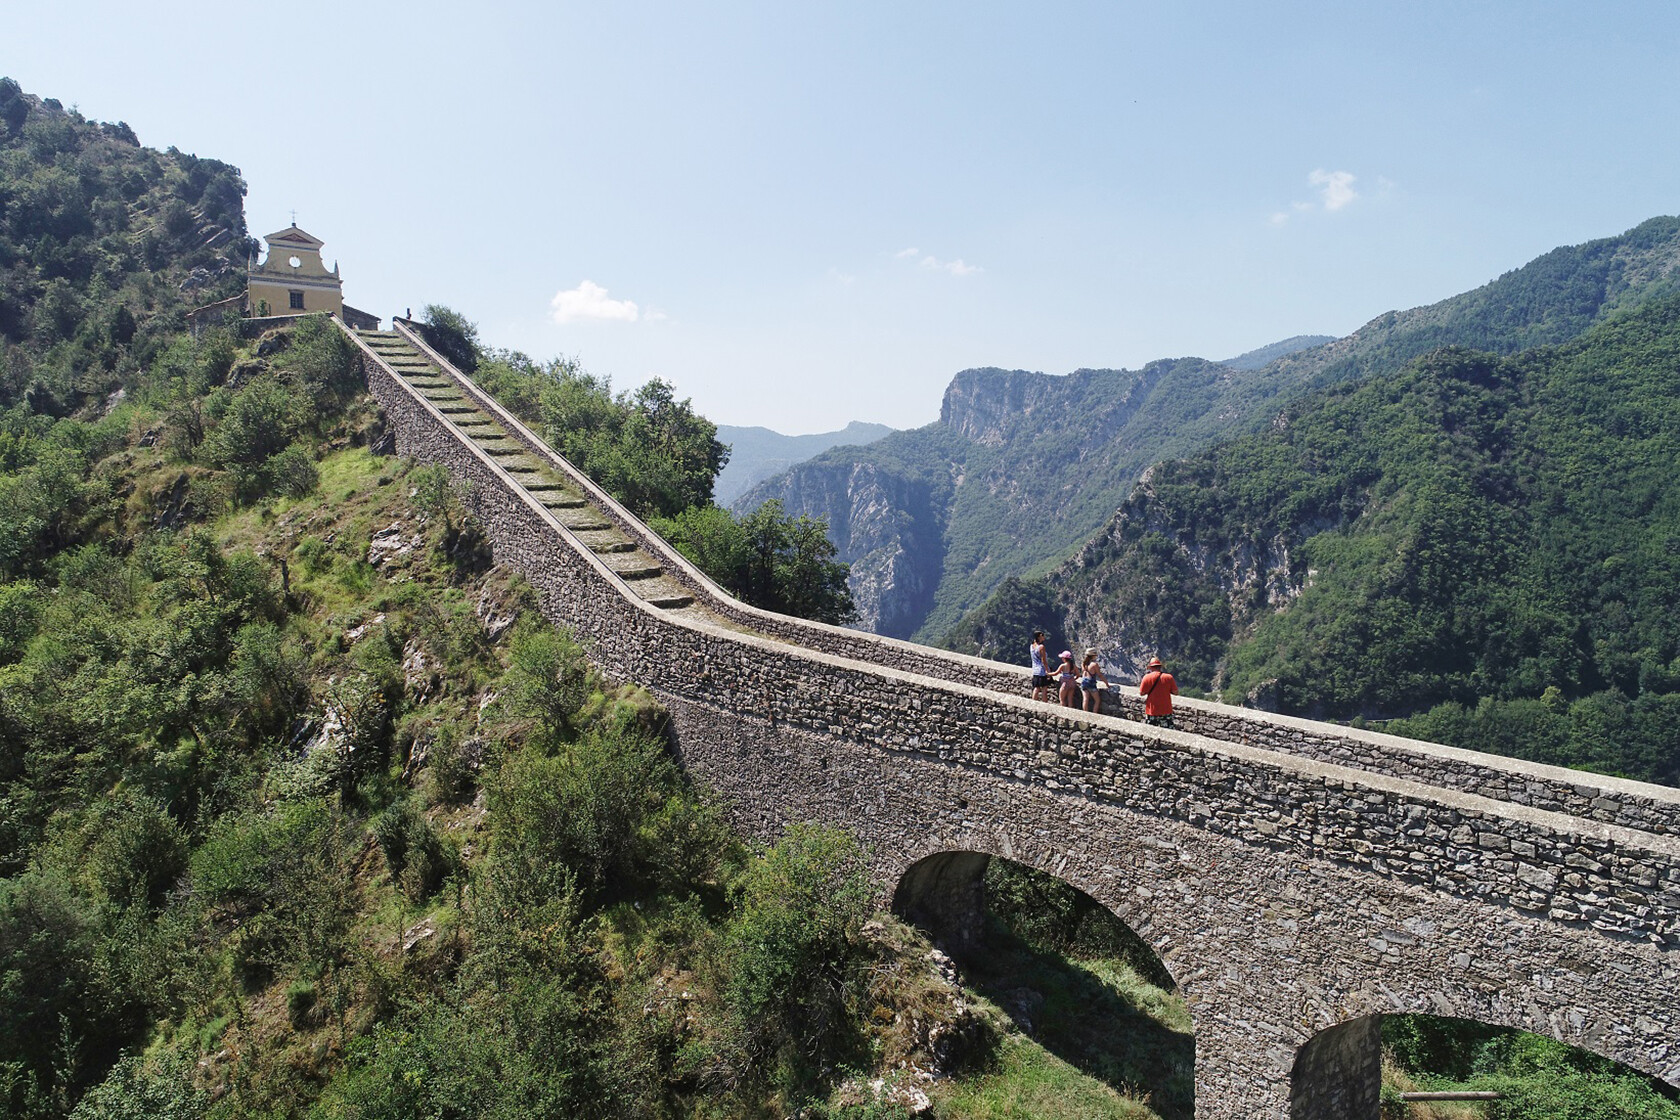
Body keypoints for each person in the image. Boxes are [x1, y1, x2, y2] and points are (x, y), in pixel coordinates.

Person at [1139, 656, 1178, 727]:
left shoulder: (1146, 677)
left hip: (1152, 711)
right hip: (1166, 711)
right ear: (1160, 667)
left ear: (1151, 668)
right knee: (1168, 733)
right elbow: (1176, 692)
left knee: (1150, 732)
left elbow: (1142, 693)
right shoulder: (1169, 677)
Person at [1079, 648, 1108, 714]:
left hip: (1083, 682)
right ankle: (1094, 715)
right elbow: (1100, 675)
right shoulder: (1094, 665)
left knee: (1085, 699)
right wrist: (1107, 684)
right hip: (1091, 683)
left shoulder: (1083, 664)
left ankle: (1085, 714)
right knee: (1097, 700)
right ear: (1093, 656)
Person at [1029, 630, 1052, 701]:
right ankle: (1044, 704)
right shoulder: (1041, 647)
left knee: (1036, 688)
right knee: (1044, 688)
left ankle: (1034, 702)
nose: (1044, 637)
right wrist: (1048, 672)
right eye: (1042, 636)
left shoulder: (1032, 646)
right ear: (1039, 637)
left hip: (1035, 670)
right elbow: (1044, 661)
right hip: (1042, 671)